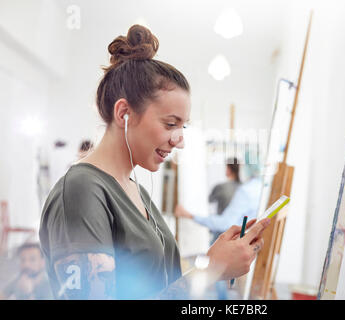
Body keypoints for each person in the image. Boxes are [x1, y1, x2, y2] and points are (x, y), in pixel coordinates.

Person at [39, 25, 270, 300]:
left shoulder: (137, 191)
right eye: (171, 124)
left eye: (183, 127)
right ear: (124, 113)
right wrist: (210, 270)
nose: (179, 140)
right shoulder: (82, 190)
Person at [177, 157, 241, 245]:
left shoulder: (221, 188)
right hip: (237, 234)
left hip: (221, 231)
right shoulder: (243, 188)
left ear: (228, 169)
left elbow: (205, 201)